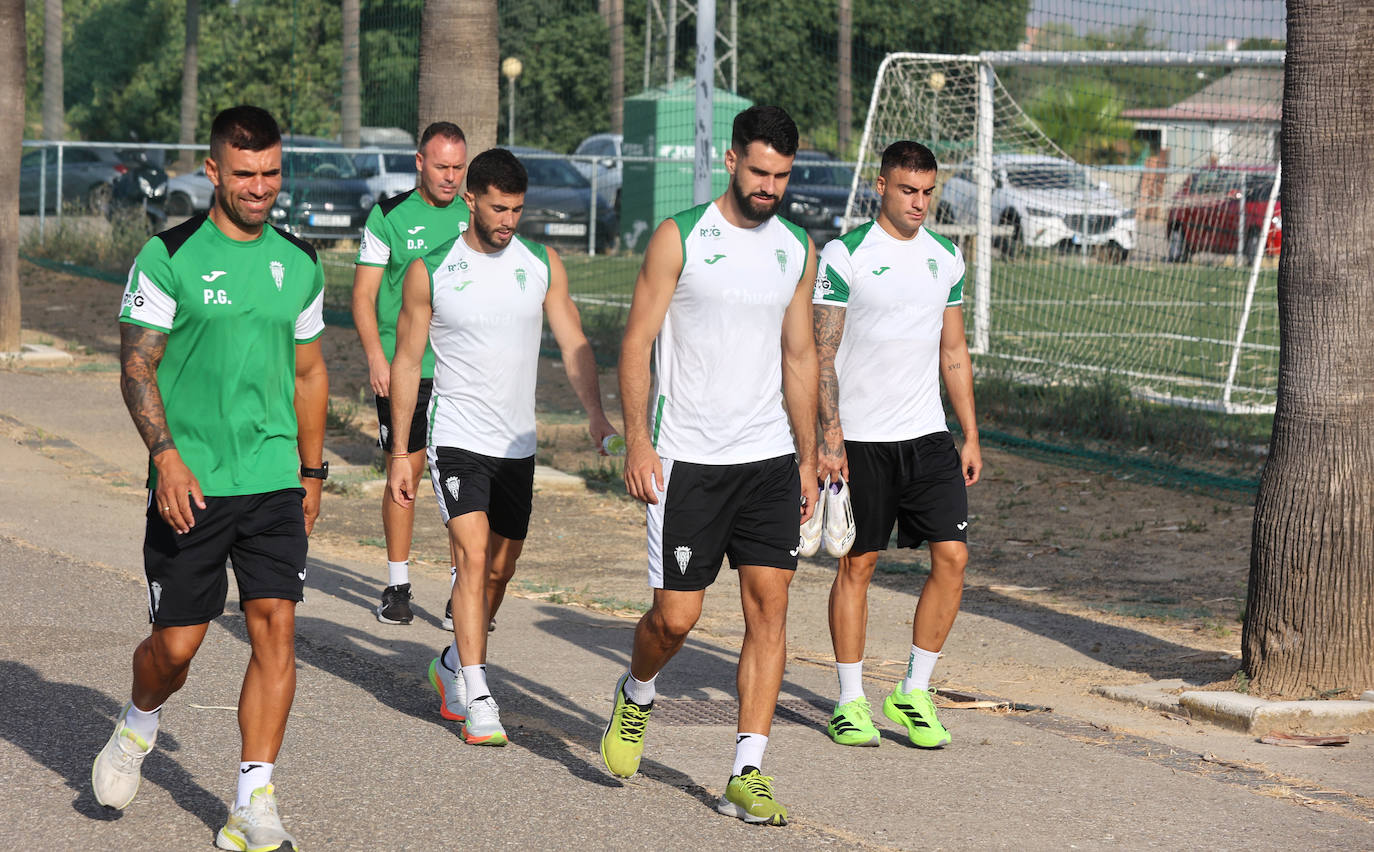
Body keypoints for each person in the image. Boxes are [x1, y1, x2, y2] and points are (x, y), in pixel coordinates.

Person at [96, 105, 328, 852]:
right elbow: (137, 365)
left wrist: (314, 472)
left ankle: (252, 799)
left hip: (271, 480)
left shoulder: (300, 263)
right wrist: (165, 455)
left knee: (277, 630)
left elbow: (311, 371)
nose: (260, 188)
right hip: (189, 482)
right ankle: (137, 724)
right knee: (175, 649)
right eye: (245, 174)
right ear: (214, 171)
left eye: (271, 174)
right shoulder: (169, 257)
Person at [599, 105, 818, 826]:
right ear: (730, 160)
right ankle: (636, 692)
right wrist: (638, 440)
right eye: (759, 172)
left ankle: (746, 771)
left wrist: (809, 458)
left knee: (771, 609)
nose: (769, 187)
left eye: (782, 177)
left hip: (768, 462)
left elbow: (799, 355)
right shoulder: (680, 237)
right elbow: (638, 341)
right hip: (688, 458)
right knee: (676, 618)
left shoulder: (795, 248)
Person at [387, 148, 617, 746]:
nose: (508, 219)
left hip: (518, 445)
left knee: (500, 567)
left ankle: (452, 664)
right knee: (471, 554)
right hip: (457, 437)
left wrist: (597, 415)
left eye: (516, 208)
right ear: (470, 198)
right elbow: (408, 362)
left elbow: (573, 343)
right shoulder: (430, 269)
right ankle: (479, 692)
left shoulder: (541, 264)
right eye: (497, 207)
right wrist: (399, 455)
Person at [812, 140, 982, 750]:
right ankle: (851, 700)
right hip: (860, 439)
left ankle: (914, 689)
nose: (919, 202)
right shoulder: (847, 253)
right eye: (908, 190)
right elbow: (820, 355)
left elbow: (953, 351)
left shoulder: (946, 257)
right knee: (858, 564)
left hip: (928, 436)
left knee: (953, 558)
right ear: (881, 186)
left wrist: (969, 433)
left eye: (928, 191)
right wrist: (828, 438)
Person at [352, 122, 470, 627]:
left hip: (460, 372)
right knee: (407, 473)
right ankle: (397, 585)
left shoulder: (475, 213)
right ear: (419, 162)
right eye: (441, 166)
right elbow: (362, 295)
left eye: (459, 167)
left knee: (462, 482)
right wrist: (378, 358)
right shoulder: (389, 216)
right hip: (406, 371)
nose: (451, 177)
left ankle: (459, 593)